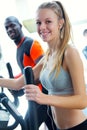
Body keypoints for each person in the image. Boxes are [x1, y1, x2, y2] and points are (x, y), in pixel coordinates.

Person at [0, 1, 87, 129]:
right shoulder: (48, 56)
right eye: (38, 23)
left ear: (60, 23)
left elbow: (82, 101)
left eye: (48, 22)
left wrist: (44, 98)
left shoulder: (69, 52)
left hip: (77, 126)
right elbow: (19, 83)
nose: (42, 27)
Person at [4, 16, 57, 130]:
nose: (9, 29)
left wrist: (21, 87)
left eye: (12, 25)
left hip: (42, 95)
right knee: (52, 126)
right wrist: (12, 80)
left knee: (27, 126)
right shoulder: (20, 48)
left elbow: (44, 71)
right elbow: (27, 70)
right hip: (35, 96)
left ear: (20, 26)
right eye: (6, 28)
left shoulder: (31, 44)